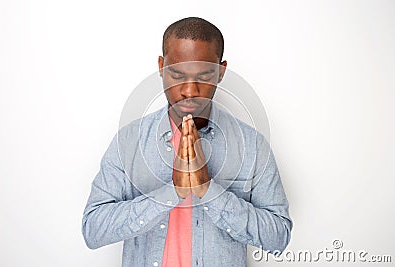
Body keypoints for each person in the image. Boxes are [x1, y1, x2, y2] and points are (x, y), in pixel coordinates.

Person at [82, 17, 293, 267]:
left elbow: (279, 237)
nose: (190, 91)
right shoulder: (129, 142)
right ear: (161, 66)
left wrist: (207, 189)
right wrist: (173, 192)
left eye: (204, 76)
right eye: (177, 75)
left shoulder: (252, 146)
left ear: (221, 71)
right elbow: (93, 230)